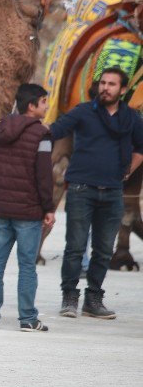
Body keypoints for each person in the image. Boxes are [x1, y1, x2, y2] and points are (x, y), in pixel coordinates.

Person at [50, 68, 143, 320]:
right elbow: (54, 131)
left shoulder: (132, 119)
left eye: (112, 84)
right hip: (81, 189)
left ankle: (94, 299)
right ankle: (70, 297)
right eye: (103, 83)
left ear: (122, 90)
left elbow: (140, 148)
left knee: (103, 250)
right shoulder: (83, 112)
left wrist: (127, 172)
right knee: (75, 247)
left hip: (113, 193)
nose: (105, 88)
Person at [0, 84, 55, 332]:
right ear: (32, 106)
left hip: (2, 210)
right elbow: (44, 175)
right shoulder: (41, 135)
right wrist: (49, 208)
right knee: (27, 266)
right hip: (29, 212)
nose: (46, 106)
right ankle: (27, 319)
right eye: (44, 102)